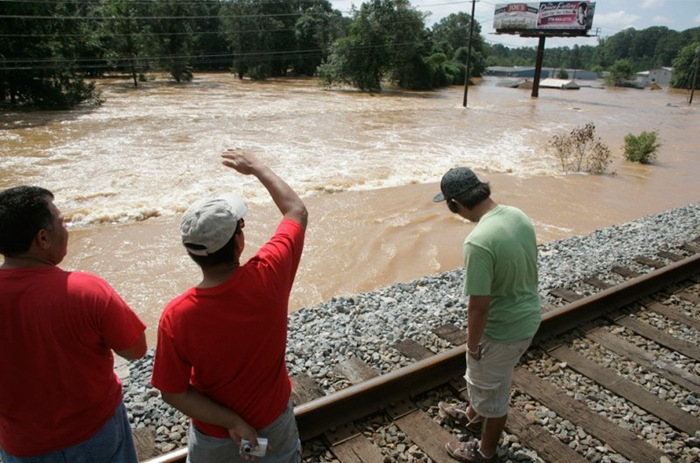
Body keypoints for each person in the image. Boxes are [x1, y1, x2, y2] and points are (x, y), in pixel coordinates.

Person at [151, 148, 308, 462]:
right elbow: (296, 211)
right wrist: (256, 167)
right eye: (241, 226)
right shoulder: (269, 275)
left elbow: (173, 391)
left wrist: (232, 422)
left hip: (217, 439)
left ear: (192, 252)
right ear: (238, 243)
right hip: (271, 423)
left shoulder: (177, 316)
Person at [0, 186, 147, 462]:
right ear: (43, 238)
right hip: (95, 434)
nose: (66, 228)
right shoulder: (85, 290)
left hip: (22, 444)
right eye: (62, 222)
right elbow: (136, 350)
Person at [433, 168, 541, 463]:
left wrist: (471, 345)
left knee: (493, 392)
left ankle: (485, 450)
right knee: (489, 379)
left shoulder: (477, 241)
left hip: (503, 330)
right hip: (529, 316)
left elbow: (479, 305)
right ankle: (472, 415)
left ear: (454, 204)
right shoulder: (516, 215)